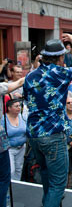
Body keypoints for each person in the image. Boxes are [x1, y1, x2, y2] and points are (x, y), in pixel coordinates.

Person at [23, 34, 72, 207]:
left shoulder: (30, 76)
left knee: (47, 180)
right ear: (60, 57)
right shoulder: (58, 73)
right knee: (58, 184)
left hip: (35, 135)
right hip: (53, 135)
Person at [0, 77, 25, 207]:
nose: (18, 107)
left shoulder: (21, 116)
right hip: (4, 147)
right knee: (6, 176)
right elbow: (20, 82)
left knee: (14, 173)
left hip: (15, 147)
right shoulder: (0, 88)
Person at [1, 99, 27, 181]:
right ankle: (8, 189)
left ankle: (16, 190)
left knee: (19, 169)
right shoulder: (3, 119)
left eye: (19, 106)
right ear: (9, 108)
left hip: (22, 147)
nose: (19, 108)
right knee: (11, 170)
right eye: (16, 106)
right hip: (9, 149)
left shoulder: (22, 117)